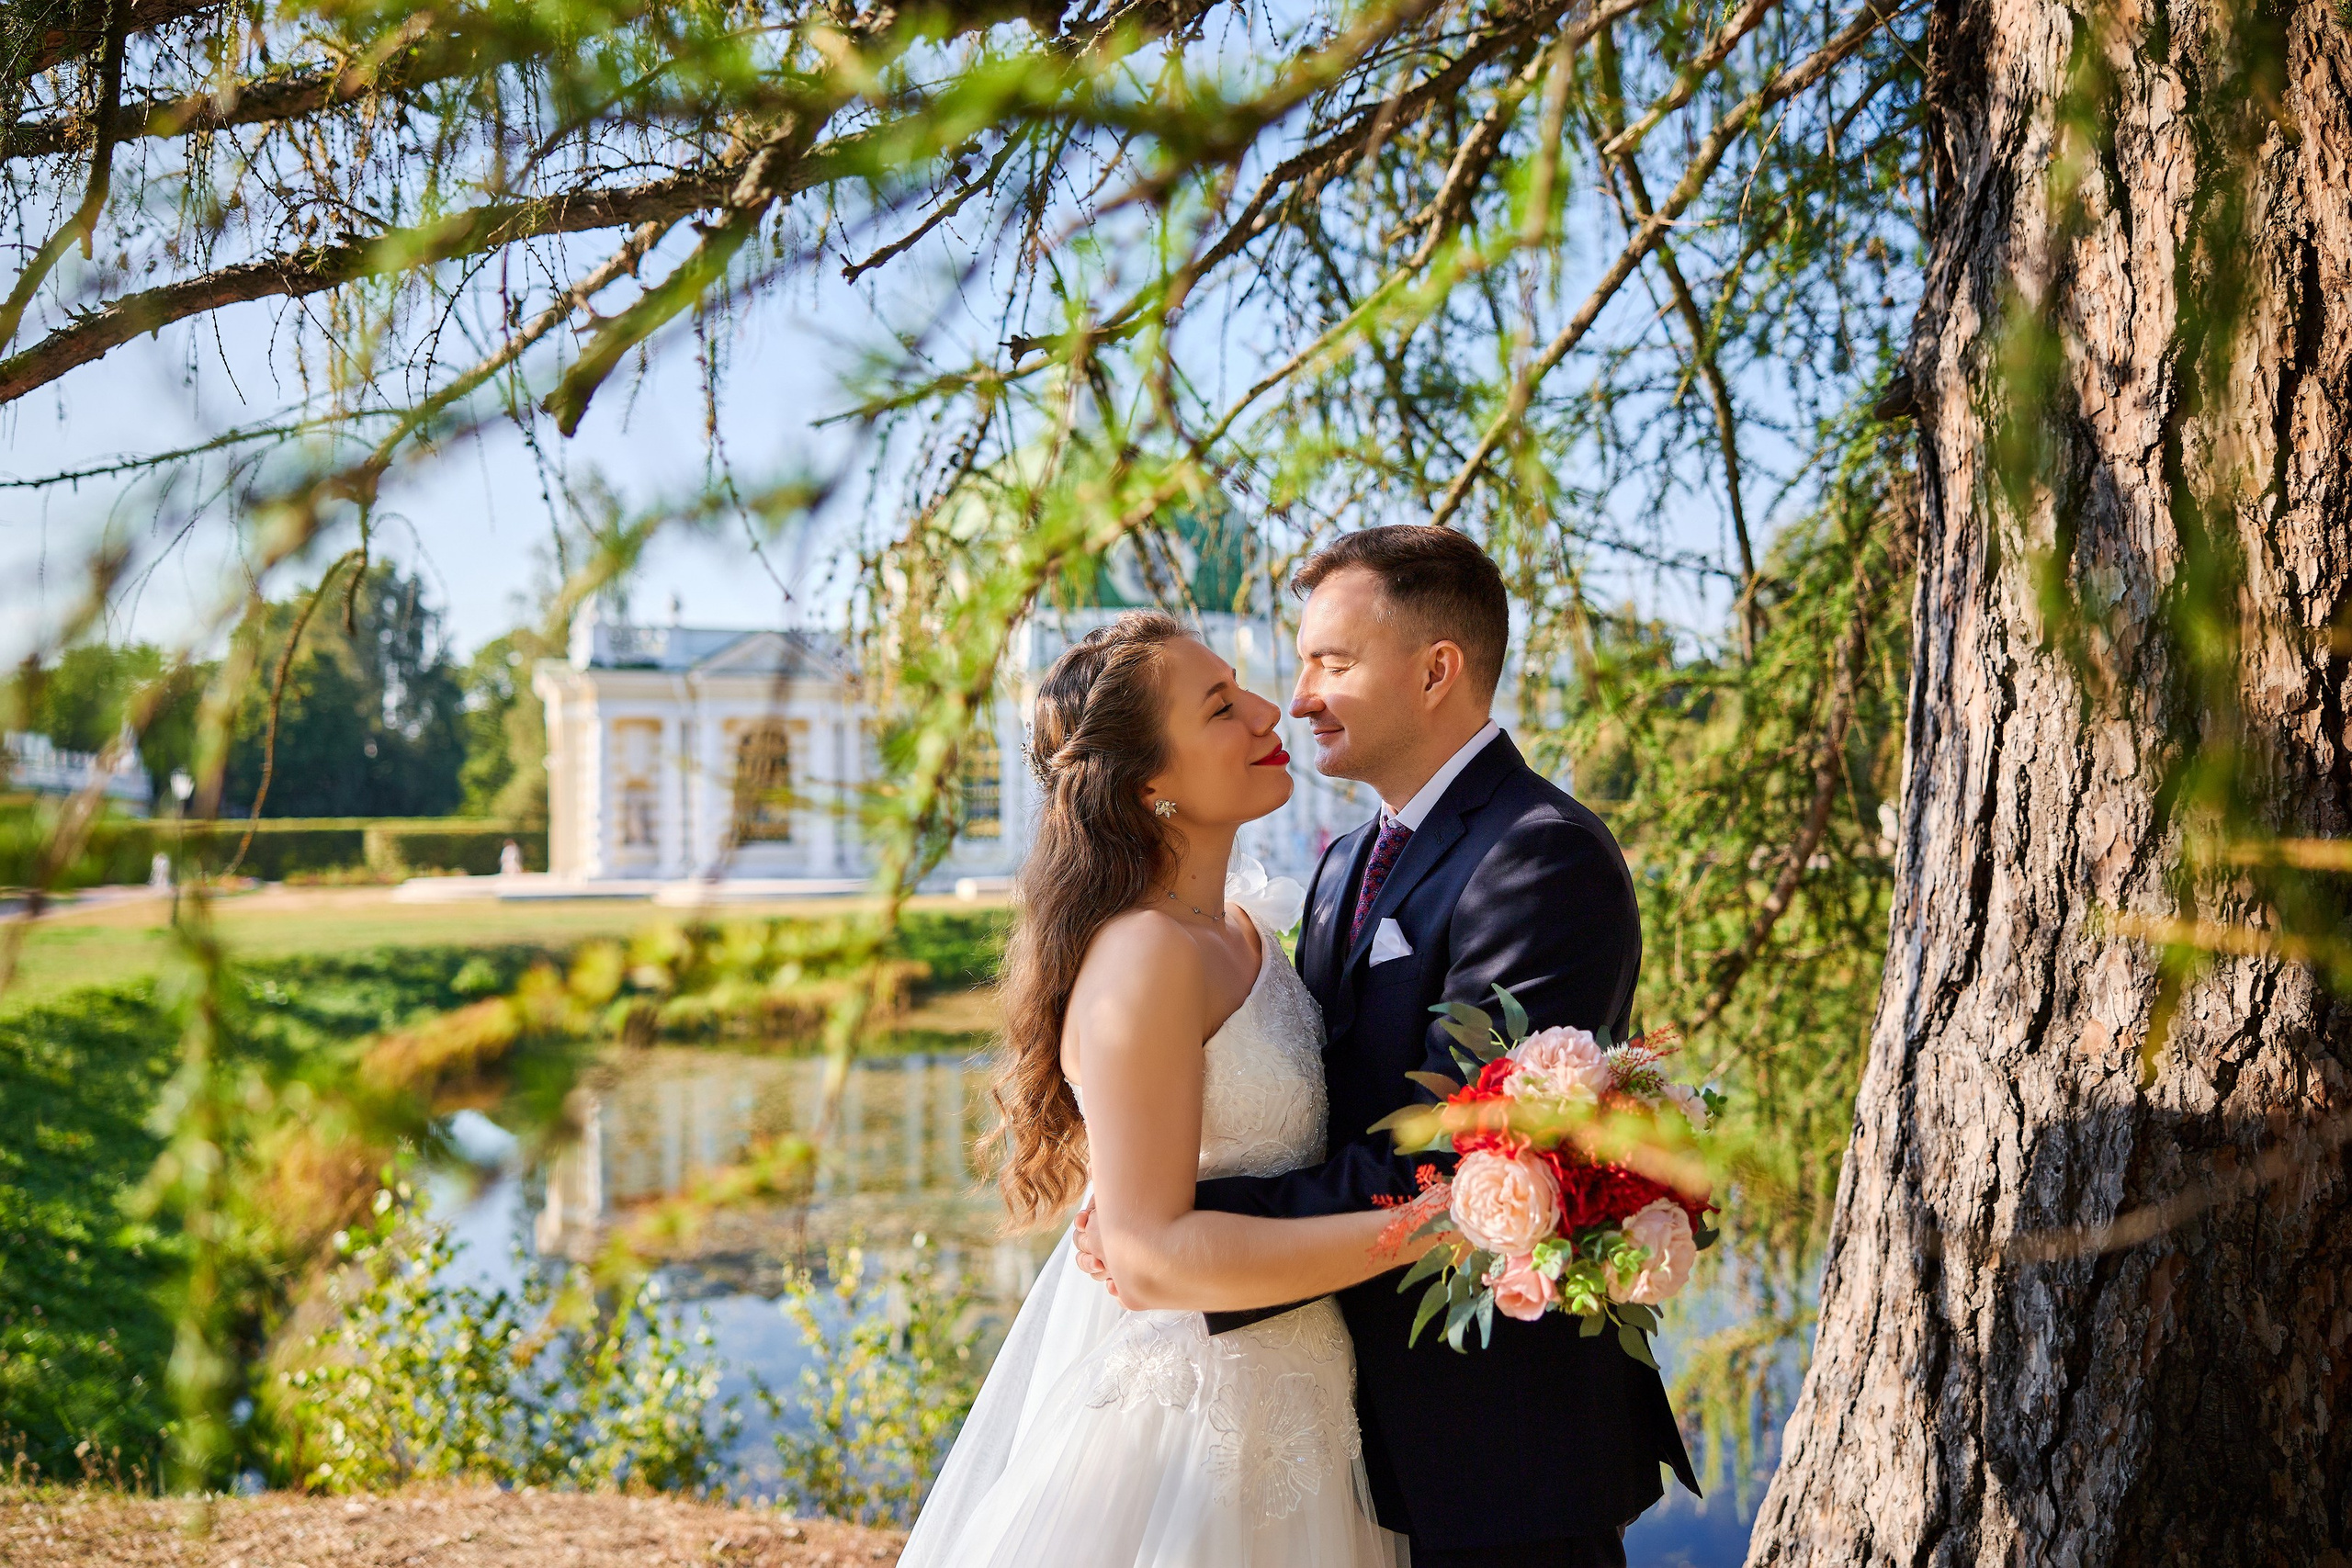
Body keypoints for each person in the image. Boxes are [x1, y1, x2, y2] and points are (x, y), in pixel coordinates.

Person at [1080, 526, 1697, 1566]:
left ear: (1434, 671)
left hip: (1496, 1445)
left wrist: (1180, 1234)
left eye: (1330, 661)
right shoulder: (1345, 863)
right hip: (1343, 1426)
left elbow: (1466, 1154)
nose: (1300, 696)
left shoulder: (1536, 857)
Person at [897, 610, 1411, 1568]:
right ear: (1149, 787)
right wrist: (1430, 1230)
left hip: (1298, 1390)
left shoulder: (1246, 926)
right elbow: (1146, 1259)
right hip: (1195, 1423)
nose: (1270, 713)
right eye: (1221, 707)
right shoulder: (1146, 960)